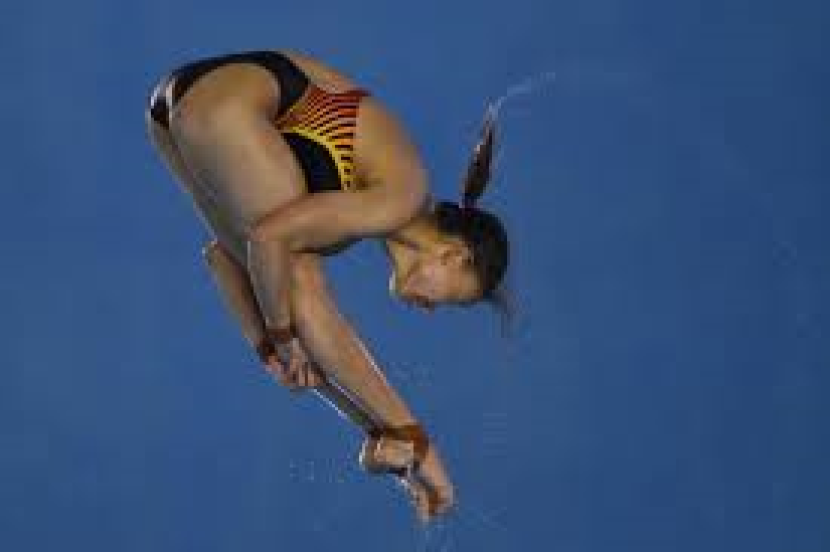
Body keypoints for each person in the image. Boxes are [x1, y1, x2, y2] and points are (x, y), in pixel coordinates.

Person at [145, 49, 509, 522]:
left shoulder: (366, 209)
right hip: (226, 102)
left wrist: (278, 351)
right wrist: (416, 444)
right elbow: (271, 243)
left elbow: (226, 260)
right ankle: (417, 443)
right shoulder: (405, 195)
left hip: (176, 108)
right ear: (454, 255)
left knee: (287, 279)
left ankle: (407, 440)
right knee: (297, 270)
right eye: (449, 299)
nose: (429, 309)